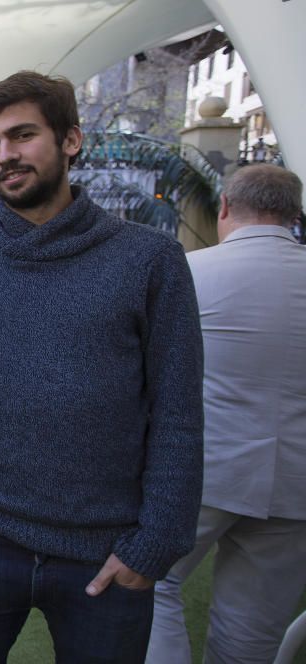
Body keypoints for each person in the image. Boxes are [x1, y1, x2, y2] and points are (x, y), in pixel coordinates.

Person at [0, 70, 204, 663]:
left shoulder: (151, 260)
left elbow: (178, 412)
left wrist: (155, 544)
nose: (5, 156)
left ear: (70, 140)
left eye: (22, 136)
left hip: (106, 552)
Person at [146, 164, 306, 664]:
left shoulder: (193, 272)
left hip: (205, 470)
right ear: (295, 216)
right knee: (251, 632)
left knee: (151, 584)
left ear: (224, 208)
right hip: (297, 482)